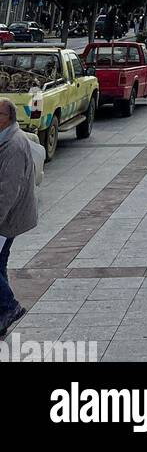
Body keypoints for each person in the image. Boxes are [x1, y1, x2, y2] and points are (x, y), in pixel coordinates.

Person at [0, 99, 40, 339]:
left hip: (8, 218)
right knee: (0, 264)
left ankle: (9, 306)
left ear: (8, 117)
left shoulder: (13, 145)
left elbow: (8, 190)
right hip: (10, 216)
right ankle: (3, 316)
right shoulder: (6, 138)